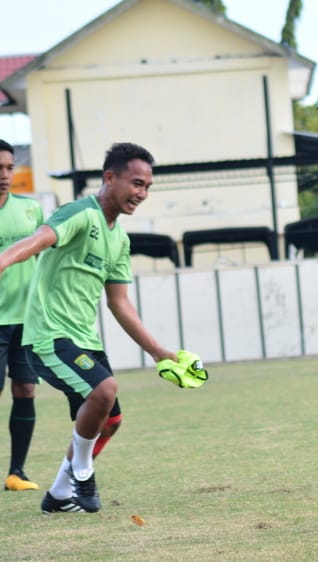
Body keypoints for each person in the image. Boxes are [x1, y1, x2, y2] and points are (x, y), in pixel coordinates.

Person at [0, 143, 182, 514]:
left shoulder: (119, 239)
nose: (141, 194)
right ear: (109, 177)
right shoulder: (79, 214)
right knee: (105, 390)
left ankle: (57, 494)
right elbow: (36, 242)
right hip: (49, 338)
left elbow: (120, 303)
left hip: (84, 340)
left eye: (147, 187)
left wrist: (158, 351)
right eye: (135, 183)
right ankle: (82, 472)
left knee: (110, 420)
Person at [0, 139, 43, 491]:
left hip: (26, 321)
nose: (4, 175)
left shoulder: (31, 211)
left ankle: (17, 473)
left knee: (26, 388)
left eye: (9, 168)